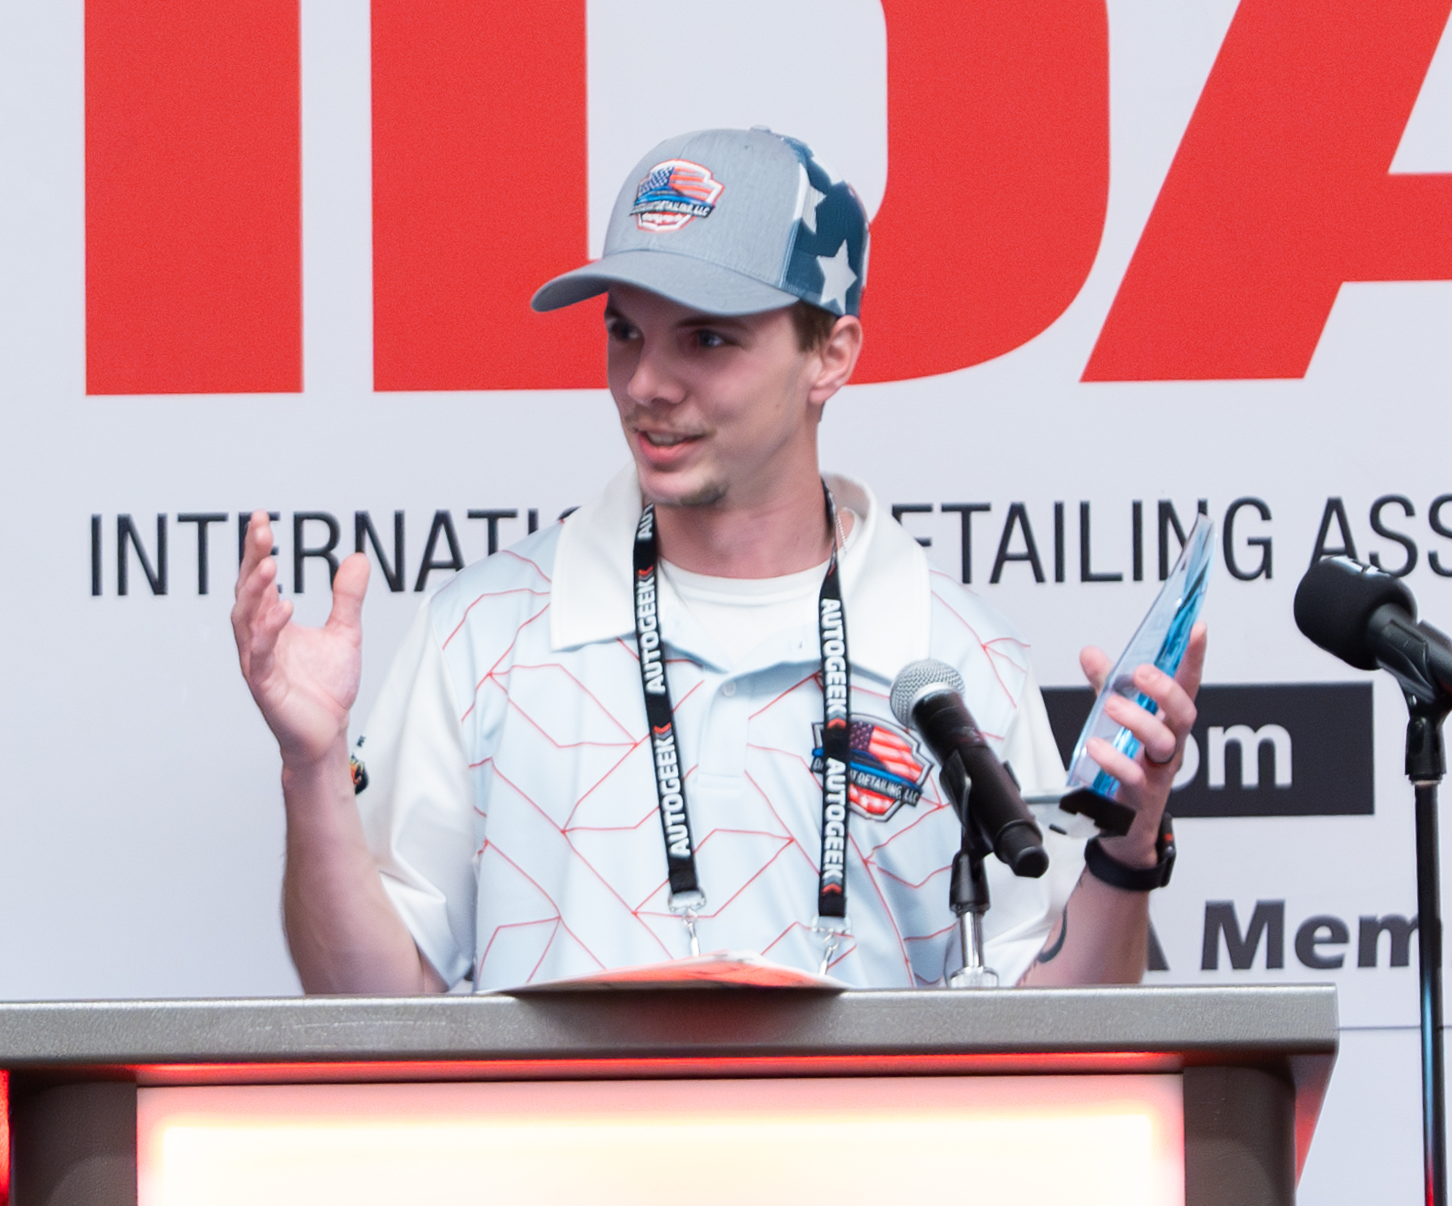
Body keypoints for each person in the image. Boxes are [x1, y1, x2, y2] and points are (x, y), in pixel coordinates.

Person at [231, 127, 1203, 993]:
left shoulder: (951, 658)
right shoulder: (488, 630)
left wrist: (1122, 855)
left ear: (831, 354)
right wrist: (311, 767)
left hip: (868, 1197)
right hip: (546, 1196)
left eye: (706, 338)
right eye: (623, 331)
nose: (646, 383)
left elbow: (1054, 1043)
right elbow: (368, 1003)